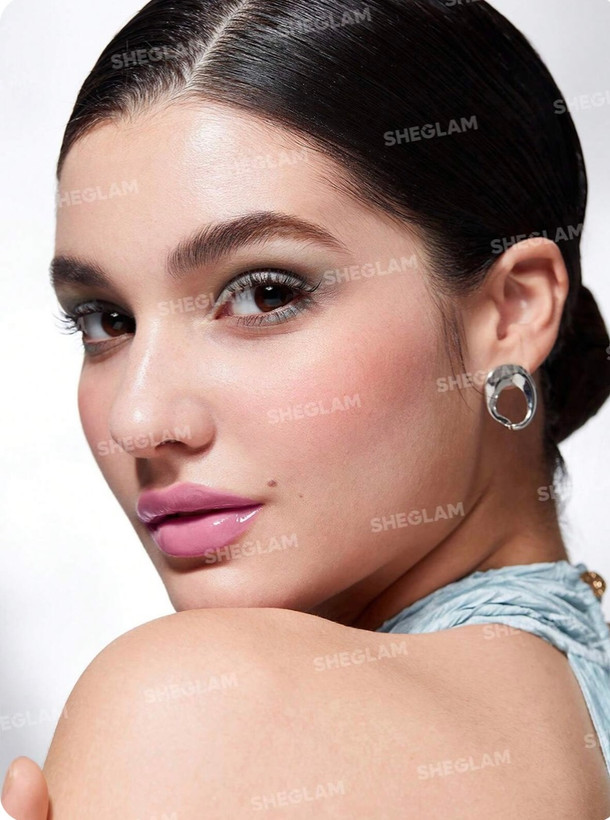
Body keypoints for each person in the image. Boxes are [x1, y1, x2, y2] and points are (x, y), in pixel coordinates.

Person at [3, 0, 610, 816]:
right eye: (106, 320)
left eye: (265, 293)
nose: (137, 422)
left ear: (511, 313)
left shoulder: (196, 707)